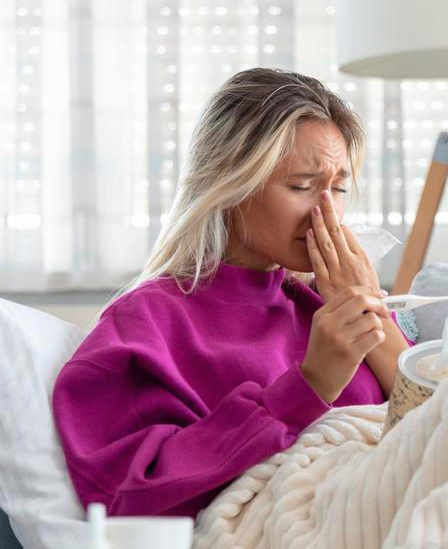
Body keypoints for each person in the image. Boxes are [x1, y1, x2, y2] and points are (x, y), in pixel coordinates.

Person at [51, 68, 414, 518]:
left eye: (338, 188)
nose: (328, 211)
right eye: (302, 185)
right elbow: (129, 495)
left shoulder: (331, 303)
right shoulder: (148, 322)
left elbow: (447, 430)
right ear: (230, 184)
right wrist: (312, 383)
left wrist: (375, 316)